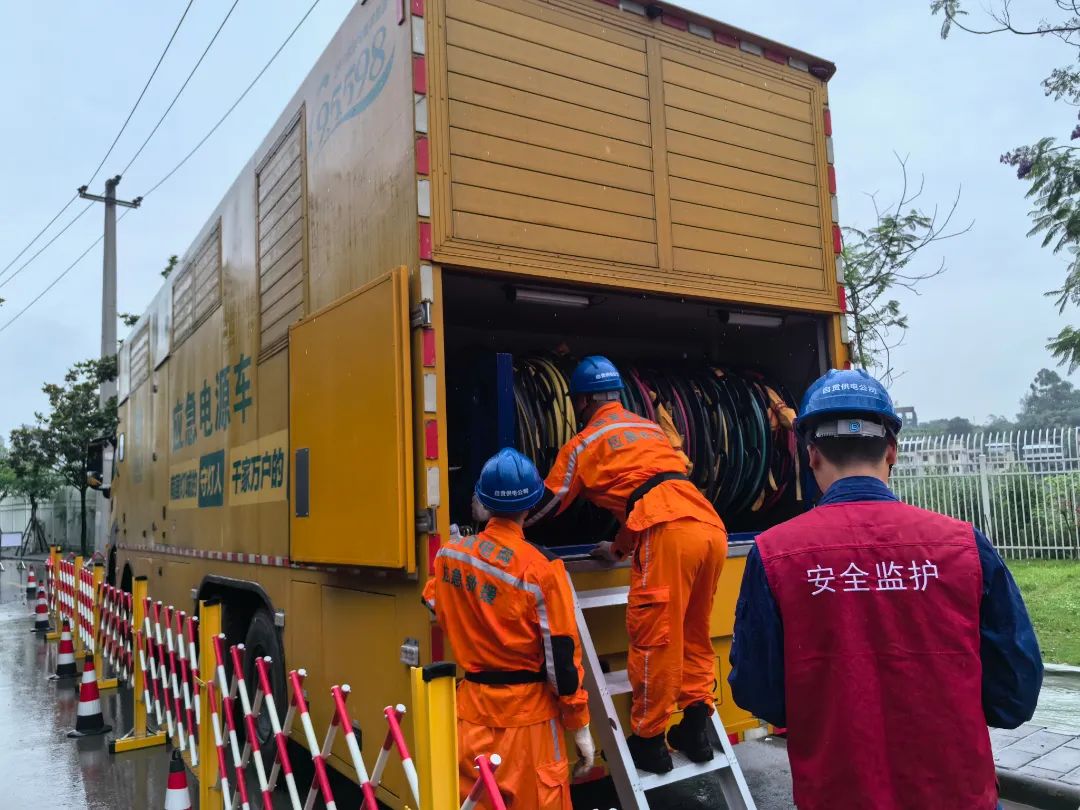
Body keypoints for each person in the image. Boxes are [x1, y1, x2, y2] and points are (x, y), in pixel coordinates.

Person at [728, 368, 1043, 810]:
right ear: (891, 450)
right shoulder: (963, 545)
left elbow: (759, 692)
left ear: (812, 453)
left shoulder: (775, 554)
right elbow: (1016, 691)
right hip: (957, 794)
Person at [527, 355, 728, 774]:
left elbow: (547, 504)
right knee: (693, 633)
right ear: (617, 395)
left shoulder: (584, 443)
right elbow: (652, 488)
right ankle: (697, 728)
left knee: (656, 639)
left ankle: (650, 742)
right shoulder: (648, 428)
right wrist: (618, 550)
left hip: (668, 533)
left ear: (581, 402)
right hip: (709, 528)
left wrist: (504, 521)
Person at [423, 448, 594, 810]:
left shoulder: (450, 556)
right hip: (528, 726)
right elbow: (561, 658)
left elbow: (434, 602)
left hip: (471, 716)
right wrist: (579, 724)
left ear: (482, 503)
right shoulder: (543, 570)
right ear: (530, 507)